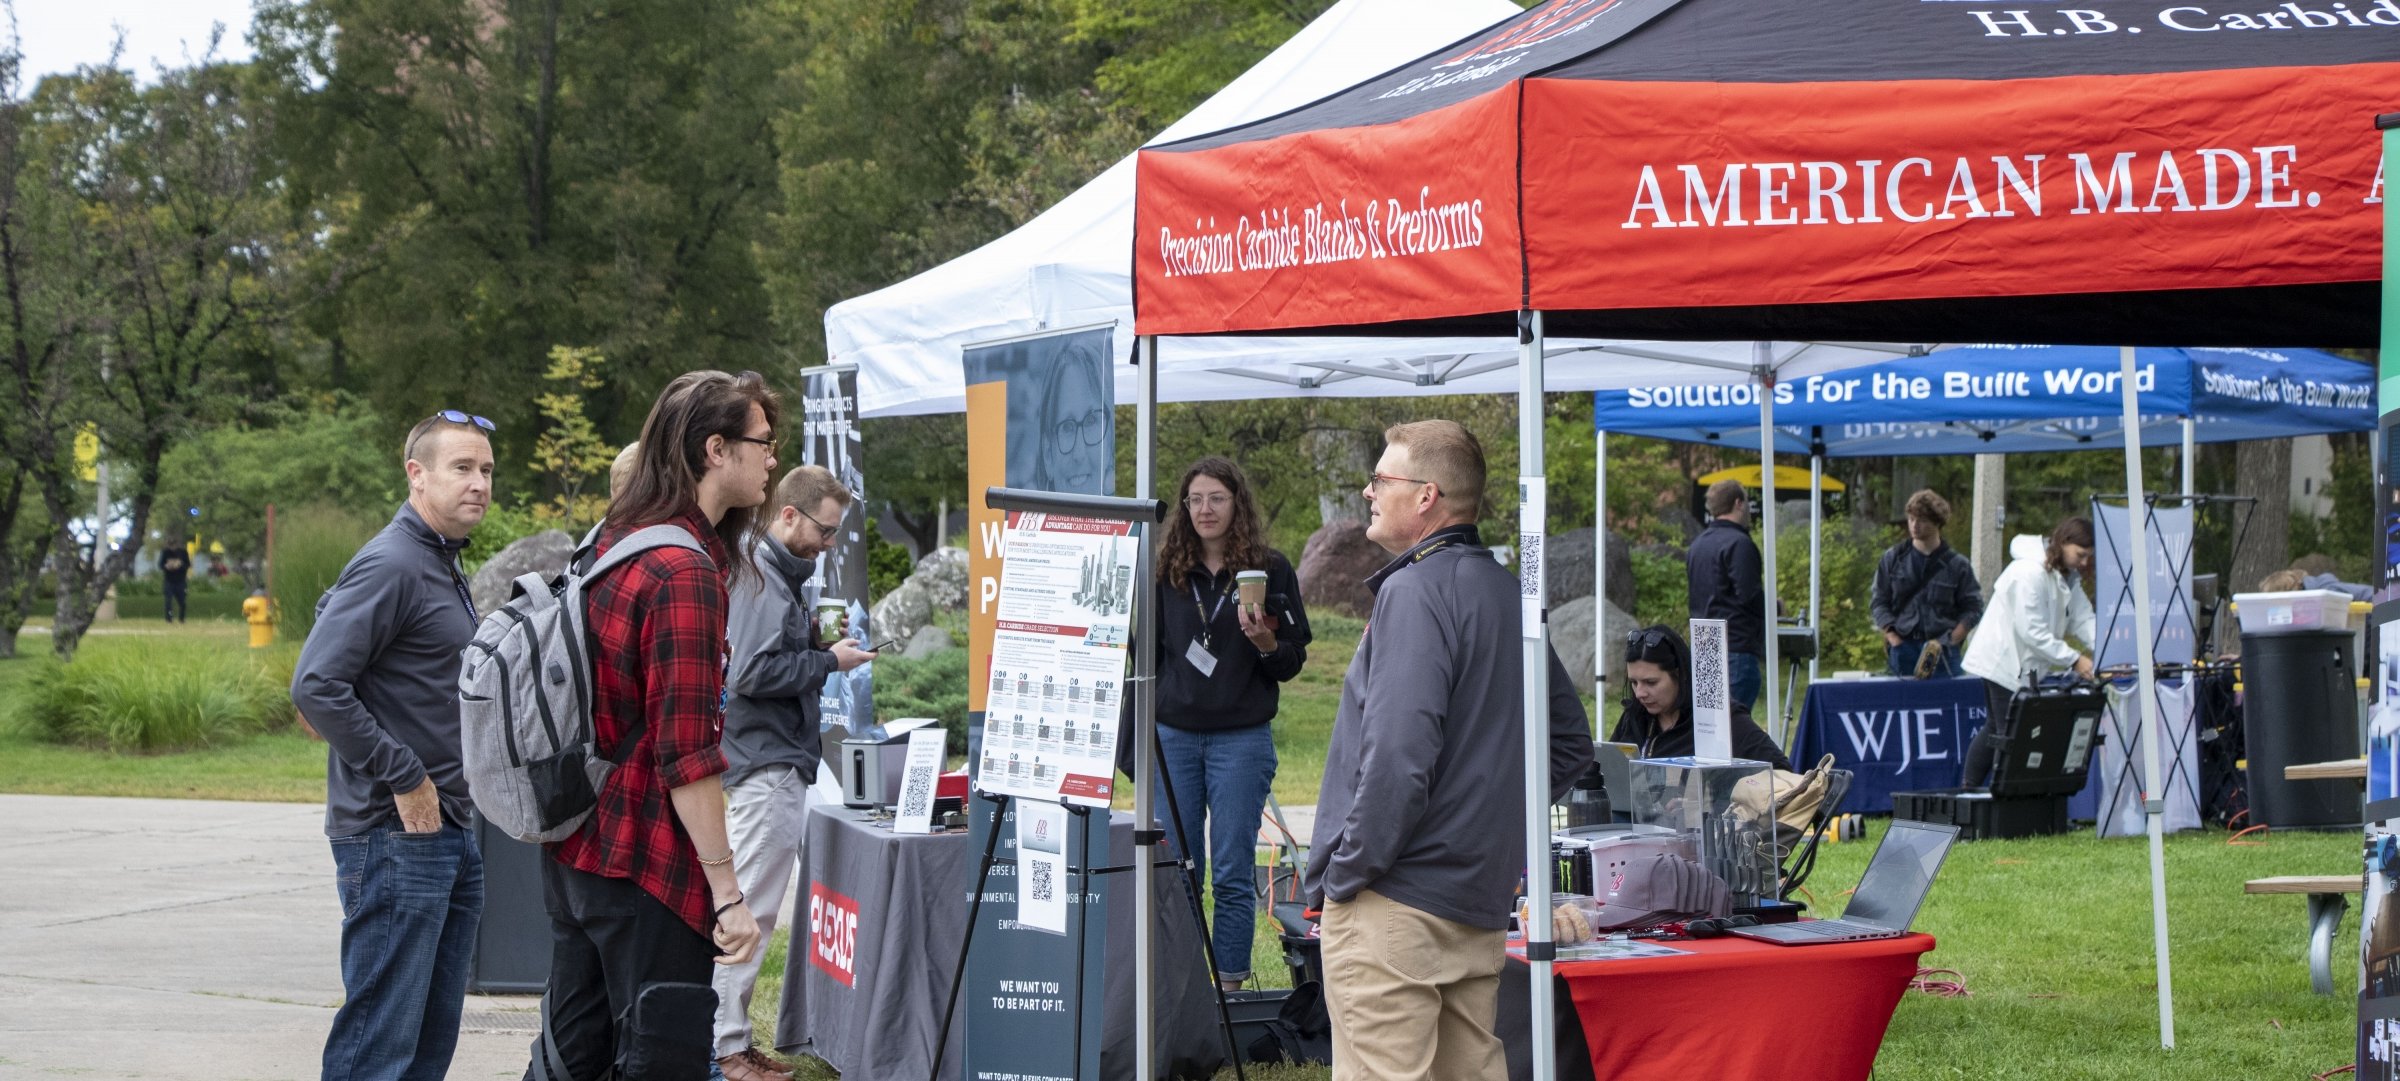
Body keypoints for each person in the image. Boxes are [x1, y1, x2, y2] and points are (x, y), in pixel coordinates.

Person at [1307, 420, 1593, 1081]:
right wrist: (1484, 828)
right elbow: (1569, 742)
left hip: (1396, 900)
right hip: (1474, 899)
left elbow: (1399, 756)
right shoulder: (1504, 591)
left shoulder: (1415, 590)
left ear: (1427, 495)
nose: (1368, 490)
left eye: (1382, 478)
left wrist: (1351, 871)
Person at [529, 371, 773, 1079]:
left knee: (571, 1060)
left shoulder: (612, 540)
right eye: (763, 441)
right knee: (658, 1060)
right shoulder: (681, 571)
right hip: (647, 866)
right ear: (715, 449)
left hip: (578, 848)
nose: (772, 458)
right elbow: (688, 754)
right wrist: (728, 895)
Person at [290, 408, 495, 1081]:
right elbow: (317, 684)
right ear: (418, 474)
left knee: (424, 1046)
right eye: (462, 467)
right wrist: (404, 775)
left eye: (487, 470)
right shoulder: (392, 563)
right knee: (380, 1045)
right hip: (394, 835)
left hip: (449, 829)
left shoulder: (437, 560)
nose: (479, 483)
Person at [710, 464, 875, 1081]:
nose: (830, 544)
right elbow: (748, 674)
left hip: (770, 759)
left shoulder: (771, 571)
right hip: (766, 763)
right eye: (825, 531)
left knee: (753, 908)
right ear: (788, 515)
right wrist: (826, 660)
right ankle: (723, 1049)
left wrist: (812, 644)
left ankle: (729, 1039)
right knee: (748, 911)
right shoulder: (762, 577)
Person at [1153, 456, 1310, 993]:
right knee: (1175, 871)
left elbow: (1292, 658)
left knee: (1232, 872)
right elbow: (1144, 657)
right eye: (1194, 499)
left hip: (1240, 741)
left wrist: (1265, 642)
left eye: (1215, 498)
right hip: (1173, 738)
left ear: (1236, 502)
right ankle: (1180, 988)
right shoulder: (1167, 570)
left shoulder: (1272, 568)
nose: (1204, 509)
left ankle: (1228, 990)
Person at [1959, 517, 2097, 788]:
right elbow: (2031, 631)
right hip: (2002, 660)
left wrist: (2107, 651)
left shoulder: (2068, 578)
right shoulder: (2028, 572)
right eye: (2080, 555)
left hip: (2020, 663)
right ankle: (1997, 801)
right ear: (2064, 542)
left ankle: (1972, 790)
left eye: (2088, 557)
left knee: (1996, 729)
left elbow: (2083, 619)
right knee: (2007, 734)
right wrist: (2075, 659)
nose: (2083, 563)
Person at [1609, 624, 1792, 770]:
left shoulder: (1719, 719)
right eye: (1634, 682)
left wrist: (1711, 801)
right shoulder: (1634, 717)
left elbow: (1780, 770)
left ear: (1680, 675)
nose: (1640, 693)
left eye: (1651, 682)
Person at [1871, 489, 1984, 679]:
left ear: (1937, 522)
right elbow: (1879, 601)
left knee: (1949, 705)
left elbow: (1974, 607)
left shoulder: (1957, 564)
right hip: (1903, 646)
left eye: (1922, 520)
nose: (1915, 525)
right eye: (1911, 519)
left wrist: (1951, 640)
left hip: (1943, 651)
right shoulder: (1893, 558)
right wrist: (1893, 637)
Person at [1687, 477, 1766, 710]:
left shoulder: (1697, 544)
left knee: (1710, 729)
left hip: (1704, 647)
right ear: (1739, 503)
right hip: (1735, 647)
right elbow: (1748, 595)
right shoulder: (1739, 543)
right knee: (1735, 729)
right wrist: (1775, 608)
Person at [159, 541, 191, 623]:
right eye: (170, 546)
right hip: (169, 580)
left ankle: (182, 618)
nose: (172, 548)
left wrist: (180, 565)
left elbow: (188, 565)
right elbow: (161, 565)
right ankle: (169, 618)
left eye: (174, 545)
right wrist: (167, 566)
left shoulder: (183, 553)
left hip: (180, 580)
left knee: (182, 601)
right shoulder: (165, 553)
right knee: (168, 601)